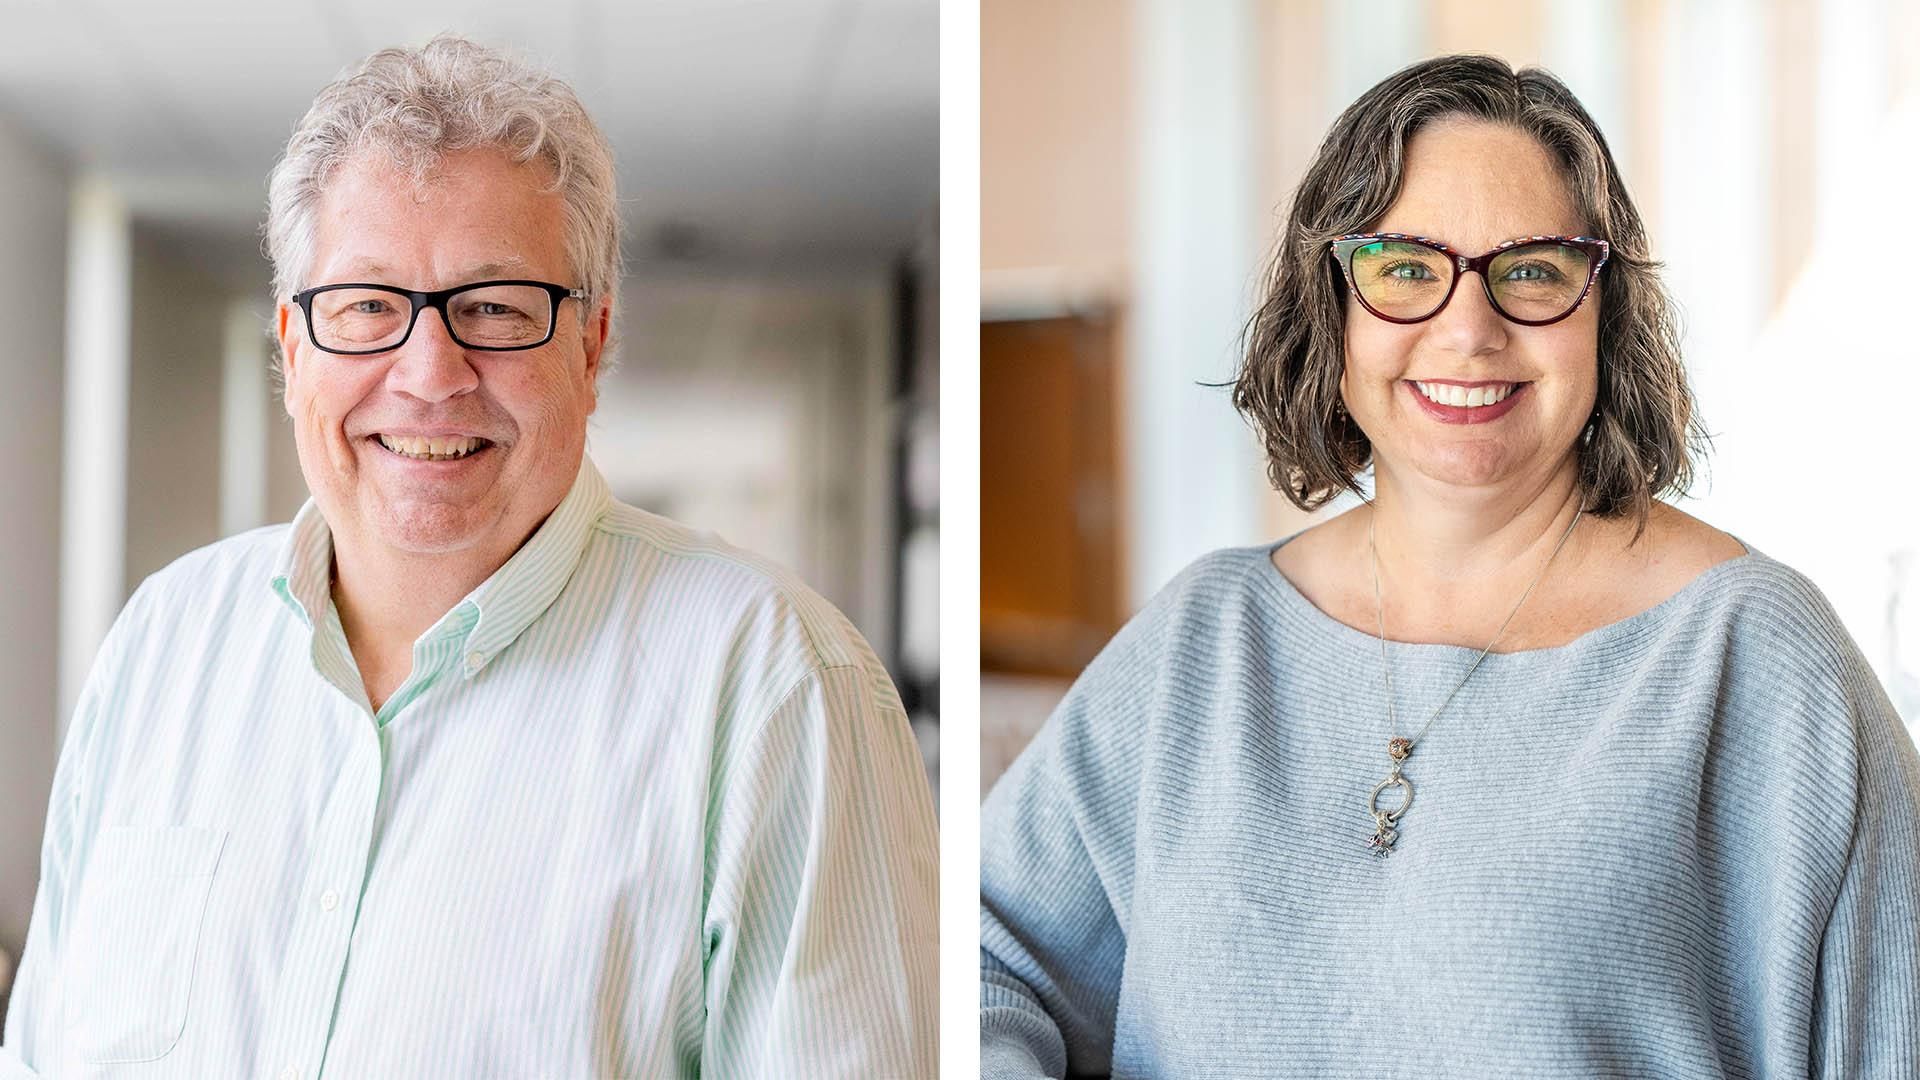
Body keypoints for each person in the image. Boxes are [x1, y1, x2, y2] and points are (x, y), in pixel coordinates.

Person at [1, 36, 936, 1079]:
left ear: (591, 346)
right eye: (365, 306)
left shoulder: (774, 687)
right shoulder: (163, 644)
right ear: (293, 346)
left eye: (493, 307)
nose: (430, 373)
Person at [980, 54, 1920, 1077]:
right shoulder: (1204, 641)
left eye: (1533, 269)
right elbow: (989, 961)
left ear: (1605, 312)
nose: (1468, 330)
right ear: (1330, 306)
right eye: (1405, 268)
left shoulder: (1759, 660)